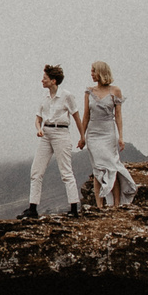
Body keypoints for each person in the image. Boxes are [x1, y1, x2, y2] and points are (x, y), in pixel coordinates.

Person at [26, 64, 83, 218]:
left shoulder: (67, 96)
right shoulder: (44, 99)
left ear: (53, 80)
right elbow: (37, 119)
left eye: (44, 78)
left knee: (66, 170)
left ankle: (73, 208)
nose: (42, 81)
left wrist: (82, 136)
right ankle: (32, 208)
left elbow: (77, 117)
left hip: (61, 133)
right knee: (36, 171)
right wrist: (39, 128)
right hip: (46, 133)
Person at [82, 61, 135, 209]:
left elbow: (118, 115)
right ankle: (100, 204)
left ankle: (116, 204)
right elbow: (85, 115)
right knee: (98, 168)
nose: (91, 74)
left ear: (101, 72)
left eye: (93, 71)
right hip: (93, 133)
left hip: (108, 132)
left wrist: (121, 137)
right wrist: (82, 136)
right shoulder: (89, 92)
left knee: (112, 166)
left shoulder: (115, 91)